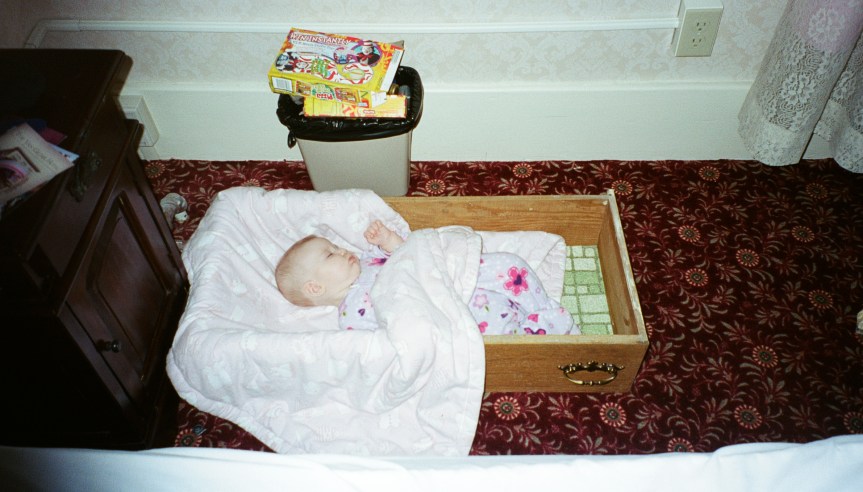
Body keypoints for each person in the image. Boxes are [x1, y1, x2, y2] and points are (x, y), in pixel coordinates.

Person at [275, 220, 577, 335]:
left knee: (510, 266)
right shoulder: (351, 317)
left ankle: (545, 312)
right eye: (331, 255)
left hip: (457, 277)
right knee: (492, 334)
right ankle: (537, 334)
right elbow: (396, 336)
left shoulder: (368, 261)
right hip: (454, 309)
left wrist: (389, 239)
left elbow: (410, 255)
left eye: (337, 247)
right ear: (316, 287)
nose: (342, 251)